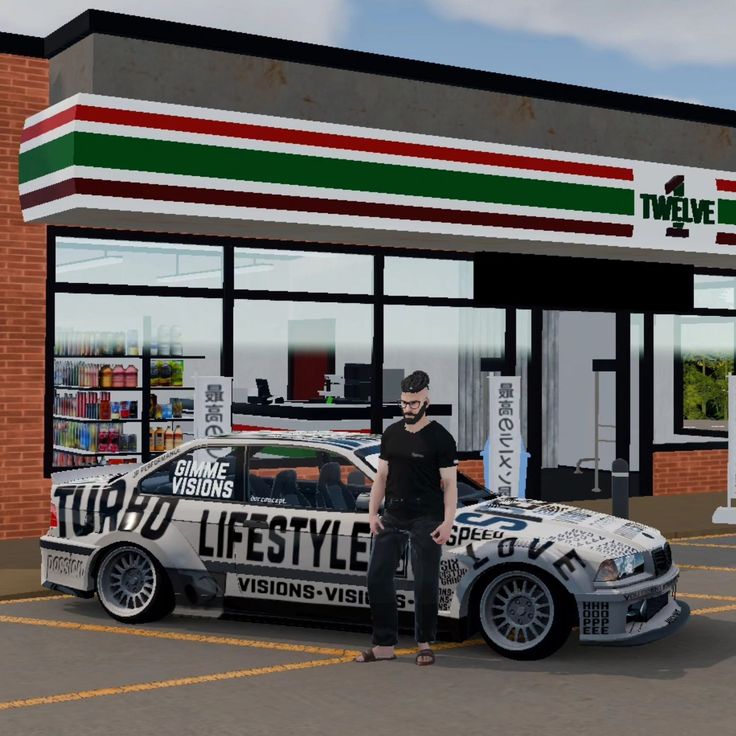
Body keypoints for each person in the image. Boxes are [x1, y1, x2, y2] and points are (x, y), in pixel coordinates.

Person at [354, 370, 458, 666]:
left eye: (413, 403)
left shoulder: (440, 437)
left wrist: (448, 521)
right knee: (377, 577)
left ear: (427, 401)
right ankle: (384, 644)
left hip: (427, 516)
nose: (408, 408)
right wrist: (374, 512)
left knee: (425, 581)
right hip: (394, 514)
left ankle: (424, 643)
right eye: (404, 403)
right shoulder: (392, 433)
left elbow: (449, 485)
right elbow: (381, 477)